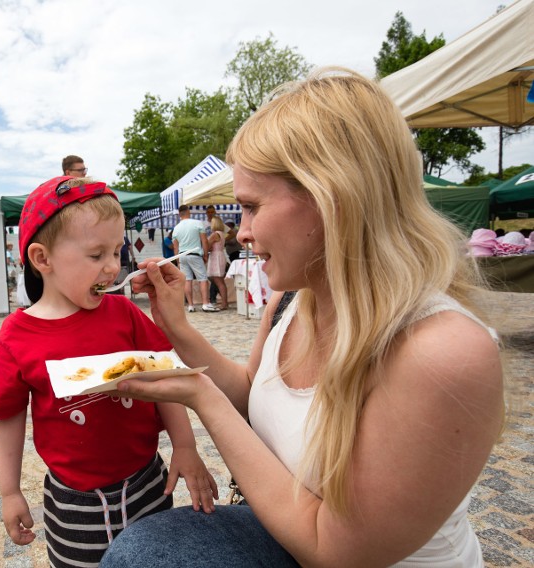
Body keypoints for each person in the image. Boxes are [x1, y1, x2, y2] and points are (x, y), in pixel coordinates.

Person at [100, 69, 504, 567]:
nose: (240, 233)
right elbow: (254, 395)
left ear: (331, 197)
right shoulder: (291, 300)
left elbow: (334, 550)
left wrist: (200, 396)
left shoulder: (440, 351)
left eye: (250, 207)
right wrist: (177, 328)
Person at [0, 176, 217, 568]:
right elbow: (8, 414)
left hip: (148, 483)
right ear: (43, 260)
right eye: (96, 255)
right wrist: (9, 492)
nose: (112, 266)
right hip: (73, 503)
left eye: (117, 251)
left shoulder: (124, 313)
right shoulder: (17, 334)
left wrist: (186, 448)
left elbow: (166, 379)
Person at [172, 204, 216, 312]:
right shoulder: (197, 223)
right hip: (195, 254)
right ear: (188, 212)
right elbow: (204, 241)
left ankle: (190, 305)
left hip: (182, 255)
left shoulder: (176, 228)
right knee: (202, 279)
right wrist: (205, 254)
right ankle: (205, 303)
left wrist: (178, 261)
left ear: (179, 215)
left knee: (187, 280)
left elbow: (175, 246)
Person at [206, 215, 228, 310]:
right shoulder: (221, 234)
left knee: (219, 282)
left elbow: (207, 245)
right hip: (220, 255)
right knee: (220, 281)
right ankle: (224, 302)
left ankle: (224, 303)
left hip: (215, 257)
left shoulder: (215, 234)